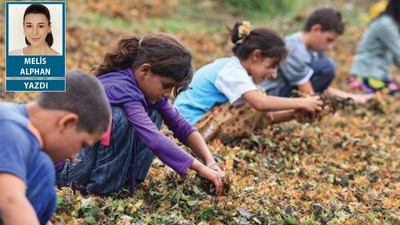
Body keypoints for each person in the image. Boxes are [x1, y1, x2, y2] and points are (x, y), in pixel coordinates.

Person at [56, 33, 226, 196]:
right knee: (118, 118)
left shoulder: (146, 90)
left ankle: (126, 183)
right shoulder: (120, 88)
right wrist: (200, 168)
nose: (168, 94)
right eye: (166, 86)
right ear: (145, 70)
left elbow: (182, 127)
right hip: (70, 172)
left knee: (155, 112)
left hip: (88, 165)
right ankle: (100, 190)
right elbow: (153, 138)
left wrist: (210, 161)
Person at [173, 22, 323, 143]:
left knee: (256, 99)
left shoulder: (237, 70)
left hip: (193, 123)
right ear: (256, 55)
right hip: (187, 127)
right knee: (255, 101)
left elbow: (263, 112)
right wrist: (302, 103)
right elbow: (260, 104)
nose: (274, 75)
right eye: (272, 66)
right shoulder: (232, 71)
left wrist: (294, 113)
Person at [0, 72, 111, 225]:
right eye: (82, 144)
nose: (74, 157)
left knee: (43, 174)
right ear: (67, 123)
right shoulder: (10, 127)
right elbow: (10, 201)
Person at [260, 7, 374, 104]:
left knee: (326, 66)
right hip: (273, 95)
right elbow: (308, 93)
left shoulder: (312, 51)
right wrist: (321, 108)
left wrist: (353, 98)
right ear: (316, 29)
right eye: (329, 40)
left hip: (290, 90)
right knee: (328, 67)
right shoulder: (293, 49)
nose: (330, 46)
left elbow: (319, 87)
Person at [350, 0, 400, 94]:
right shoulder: (386, 25)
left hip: (376, 75)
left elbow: (397, 59)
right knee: (395, 95)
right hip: (366, 76)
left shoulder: (388, 23)